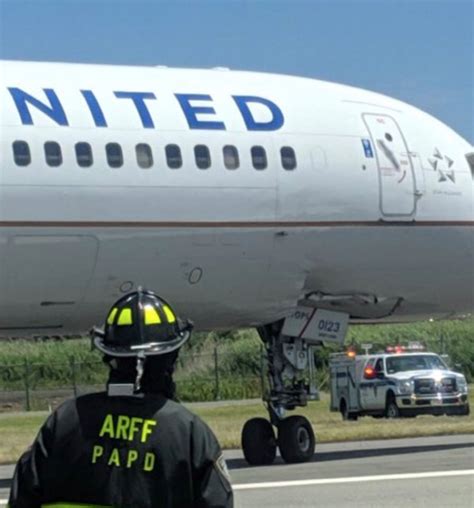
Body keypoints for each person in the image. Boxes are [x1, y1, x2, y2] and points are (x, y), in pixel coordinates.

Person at [9, 289, 234, 507]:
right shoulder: (189, 433)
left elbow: (23, 496)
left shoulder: (64, 422)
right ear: (170, 359)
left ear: (110, 355)